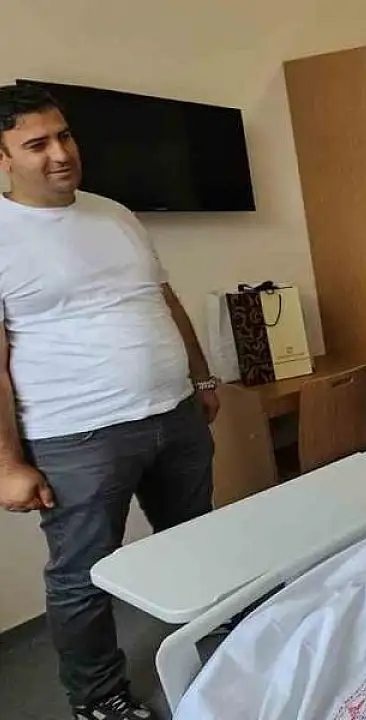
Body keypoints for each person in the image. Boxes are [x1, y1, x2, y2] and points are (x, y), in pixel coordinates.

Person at [0, 84, 219, 720]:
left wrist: (202, 380)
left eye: (64, 135)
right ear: (3, 158)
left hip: (174, 413)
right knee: (83, 575)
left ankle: (218, 637)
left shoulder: (114, 213)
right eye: (36, 144)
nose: (60, 153)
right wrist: (8, 463)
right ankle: (98, 697)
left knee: (197, 538)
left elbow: (163, 300)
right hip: (78, 435)